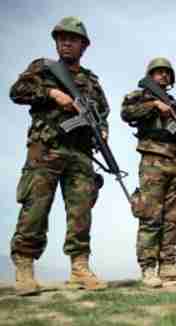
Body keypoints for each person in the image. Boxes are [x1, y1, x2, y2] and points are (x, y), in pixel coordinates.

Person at [9, 17, 109, 295]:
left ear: (83, 46)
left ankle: (80, 267)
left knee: (81, 212)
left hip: (80, 154)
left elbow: (102, 113)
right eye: (61, 38)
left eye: (73, 39)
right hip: (46, 148)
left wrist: (103, 133)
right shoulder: (44, 69)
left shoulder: (91, 81)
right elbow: (17, 92)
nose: (66, 42)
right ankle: (25, 267)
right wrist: (51, 92)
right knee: (35, 207)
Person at [121, 57, 176, 287]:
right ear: (150, 75)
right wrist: (154, 106)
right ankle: (148, 268)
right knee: (150, 215)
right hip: (154, 159)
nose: (163, 75)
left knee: (173, 217)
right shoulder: (141, 95)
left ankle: (168, 265)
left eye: (167, 72)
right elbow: (127, 113)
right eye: (158, 72)